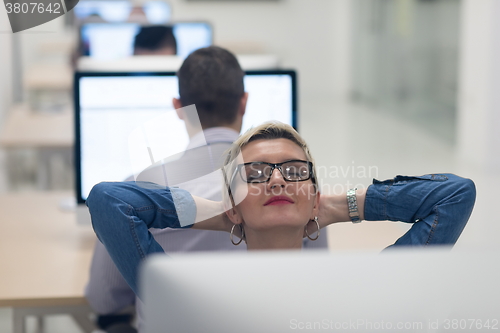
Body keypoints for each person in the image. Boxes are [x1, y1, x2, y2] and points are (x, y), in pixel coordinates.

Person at [85, 47, 328, 332]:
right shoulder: (295, 192)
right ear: (244, 102)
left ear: (178, 107)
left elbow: (104, 299)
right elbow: (315, 279)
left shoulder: (138, 194)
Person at [88, 121, 476, 298]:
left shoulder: (363, 293)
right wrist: (224, 213)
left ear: (315, 196)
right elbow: (110, 201)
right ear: (233, 204)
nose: (276, 181)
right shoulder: (191, 296)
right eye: (255, 174)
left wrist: (337, 207)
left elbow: (455, 195)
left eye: (294, 172)